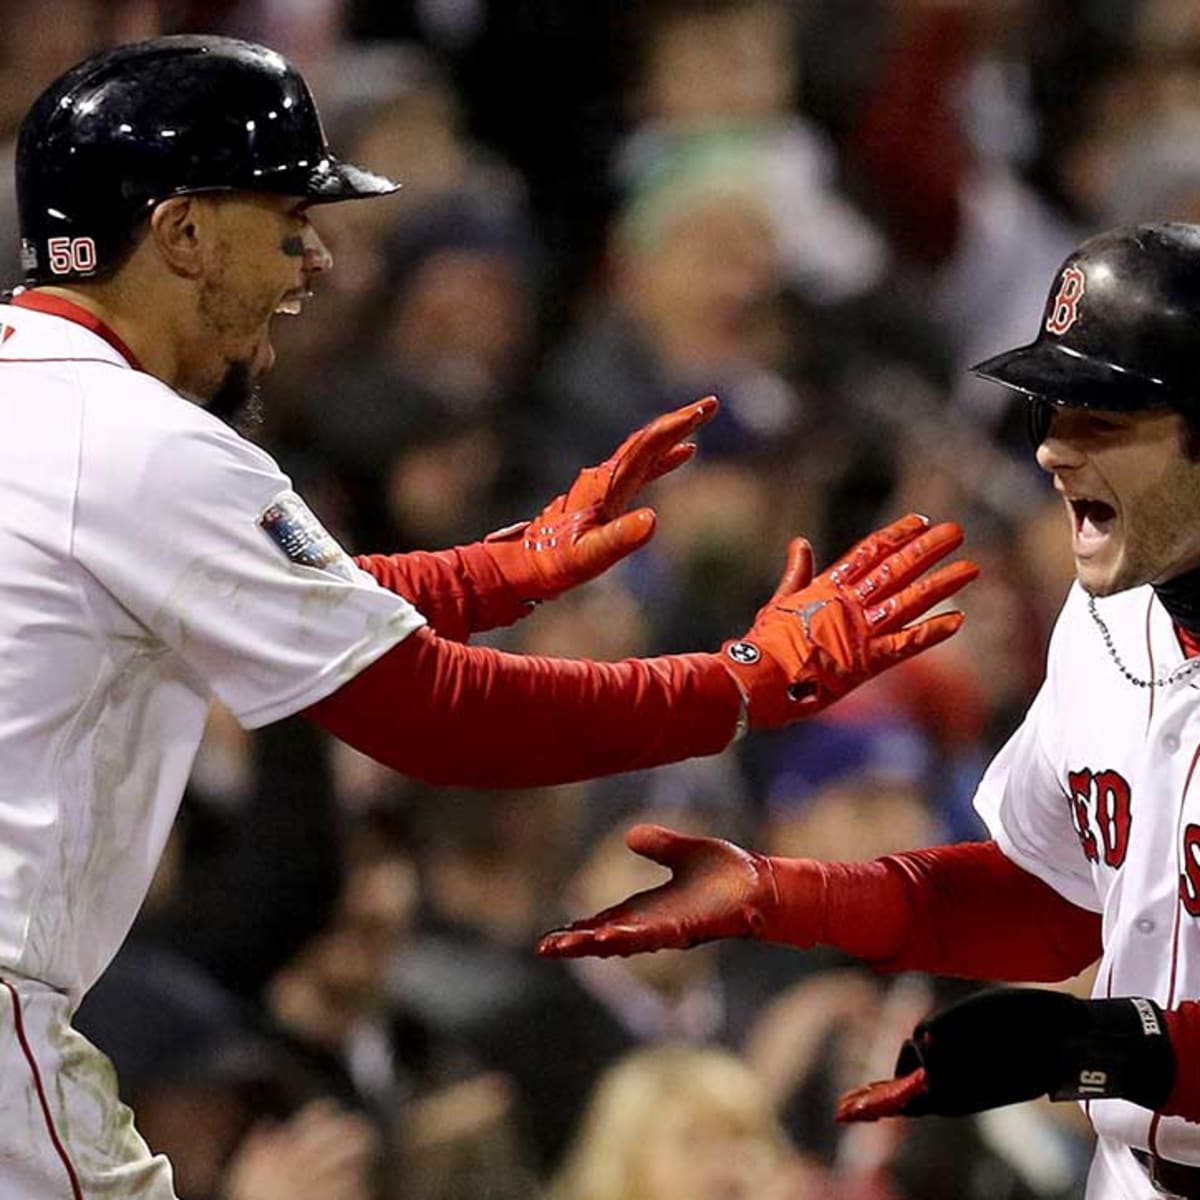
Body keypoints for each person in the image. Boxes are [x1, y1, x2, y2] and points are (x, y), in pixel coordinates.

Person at [0, 34, 974, 1199]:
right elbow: (445, 718)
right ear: (183, 233)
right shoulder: (140, 440)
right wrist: (746, 681)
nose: (317, 259)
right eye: (285, 218)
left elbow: (255, 598)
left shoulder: (45, 404)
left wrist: (501, 570)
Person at [539, 222, 1200, 1200]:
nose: (1054, 451)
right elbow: (1048, 896)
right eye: (1047, 413)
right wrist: (783, 894)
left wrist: (1093, 1046)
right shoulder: (1098, 635)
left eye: (1101, 417)